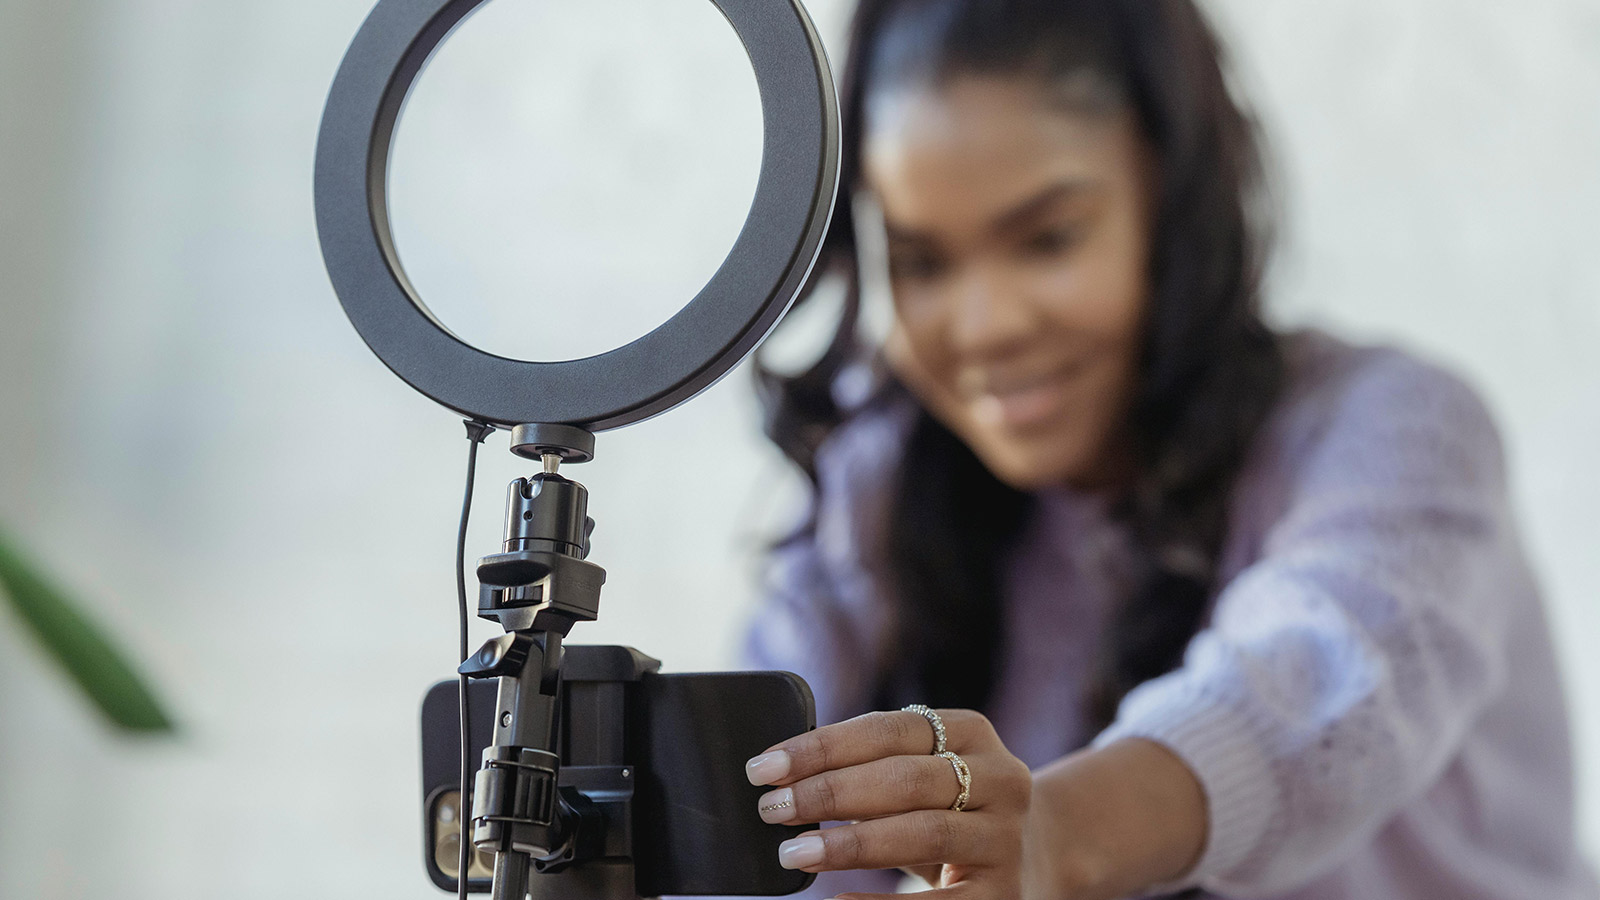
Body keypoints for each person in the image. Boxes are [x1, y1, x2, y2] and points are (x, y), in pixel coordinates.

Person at [736, 1, 1599, 898]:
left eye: (1048, 239)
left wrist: (1053, 838)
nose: (985, 327)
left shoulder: (1397, 431)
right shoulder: (874, 491)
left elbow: (1311, 685)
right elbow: (774, 832)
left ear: (1171, 202)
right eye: (922, 263)